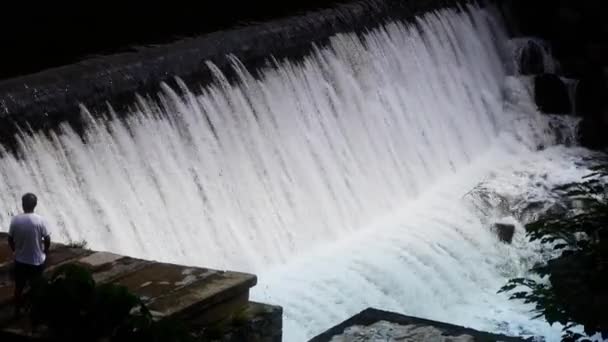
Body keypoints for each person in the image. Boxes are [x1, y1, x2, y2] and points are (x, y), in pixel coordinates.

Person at [7, 193, 51, 316]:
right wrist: (45, 252)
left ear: (22, 204)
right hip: (37, 261)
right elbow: (47, 239)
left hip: (20, 261)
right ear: (35, 205)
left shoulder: (15, 220)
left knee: (19, 287)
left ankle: (17, 311)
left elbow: (10, 239)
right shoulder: (40, 220)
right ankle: (34, 312)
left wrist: (15, 251)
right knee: (36, 287)